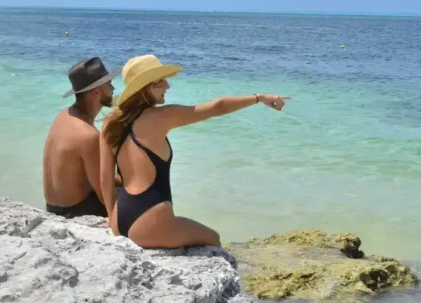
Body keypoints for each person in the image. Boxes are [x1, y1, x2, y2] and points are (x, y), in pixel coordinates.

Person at [99, 54, 289, 248]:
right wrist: (259, 98)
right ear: (146, 87)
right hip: (150, 223)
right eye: (161, 81)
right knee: (213, 238)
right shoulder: (163, 116)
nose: (167, 86)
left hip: (120, 217)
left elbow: (105, 178)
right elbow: (217, 107)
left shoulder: (111, 122)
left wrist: (113, 218)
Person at [43, 56, 122, 218]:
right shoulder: (88, 136)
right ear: (95, 91)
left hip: (52, 208)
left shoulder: (63, 116)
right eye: (109, 84)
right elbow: (105, 195)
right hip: (75, 212)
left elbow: (93, 174)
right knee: (141, 198)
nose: (113, 88)